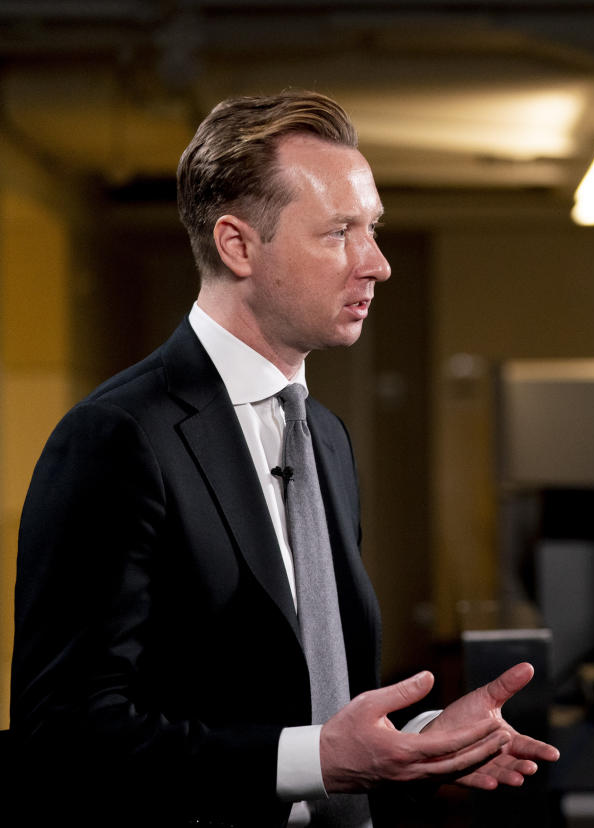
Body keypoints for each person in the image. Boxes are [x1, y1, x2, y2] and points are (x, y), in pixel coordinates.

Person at [10, 90, 558, 827]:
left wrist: (419, 744)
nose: (378, 264)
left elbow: (307, 703)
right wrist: (317, 763)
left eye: (374, 230)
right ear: (238, 246)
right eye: (340, 232)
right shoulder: (116, 438)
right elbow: (63, 735)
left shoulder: (325, 436)